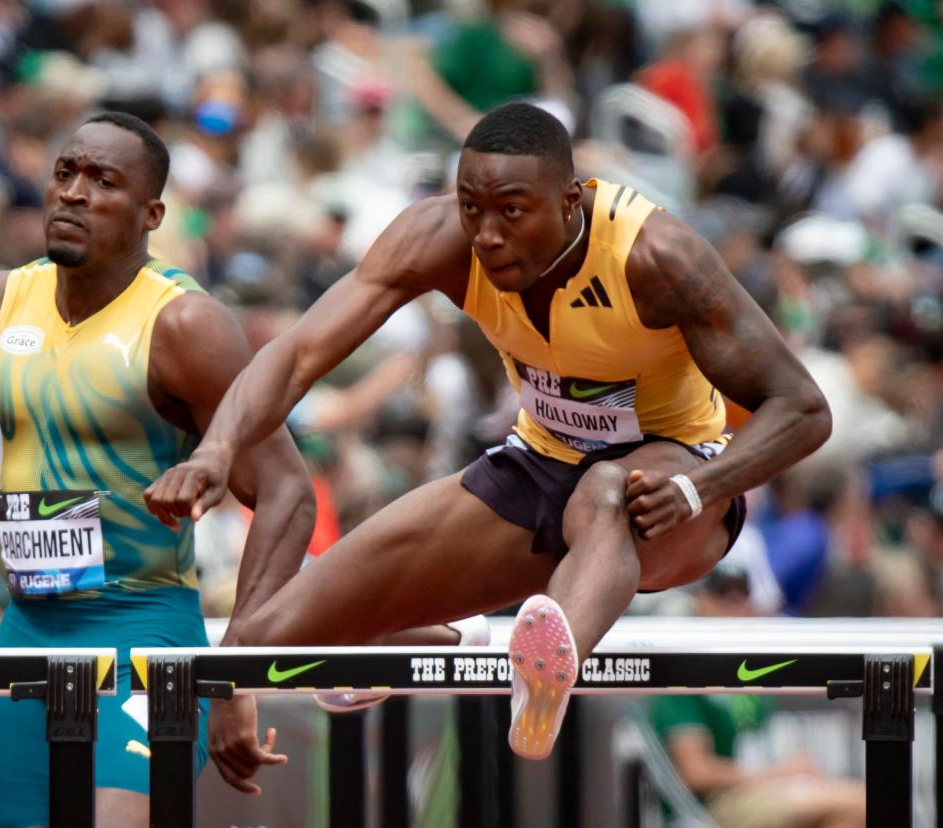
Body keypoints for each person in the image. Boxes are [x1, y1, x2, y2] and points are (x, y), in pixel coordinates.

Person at [145, 103, 831, 786]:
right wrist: (216, 449)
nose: (488, 234)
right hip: (538, 468)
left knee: (605, 493)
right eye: (473, 208)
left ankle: (544, 679)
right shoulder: (437, 237)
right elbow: (297, 355)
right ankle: (458, 638)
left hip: (671, 493)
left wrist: (698, 489)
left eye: (511, 210)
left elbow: (802, 408)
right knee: (272, 637)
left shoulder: (654, 256)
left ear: (570, 202)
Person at [0, 112, 316, 826]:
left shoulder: (184, 325)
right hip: (27, 631)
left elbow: (287, 493)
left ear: (152, 214)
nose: (74, 193)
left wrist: (235, 670)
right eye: (65, 173)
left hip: (145, 636)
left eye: (103, 181)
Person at [650, 555, 864, 828]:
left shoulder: (747, 671)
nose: (733, 604)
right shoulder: (682, 672)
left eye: (741, 595)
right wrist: (778, 773)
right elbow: (696, 772)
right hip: (714, 805)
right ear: (698, 601)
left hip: (756, 790)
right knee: (859, 804)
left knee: (850, 811)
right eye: (722, 594)